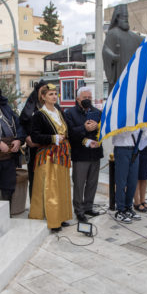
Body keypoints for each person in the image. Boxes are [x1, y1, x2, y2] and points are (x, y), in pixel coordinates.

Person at [28, 84, 73, 232]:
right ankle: (53, 221)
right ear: (43, 97)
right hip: (48, 156)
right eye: (50, 94)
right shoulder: (39, 115)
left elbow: (67, 131)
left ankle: (61, 216)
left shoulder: (59, 112)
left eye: (55, 94)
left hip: (62, 155)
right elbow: (35, 136)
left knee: (62, 186)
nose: (54, 97)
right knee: (51, 189)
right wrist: (53, 138)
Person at [65, 87, 103, 222]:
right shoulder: (70, 113)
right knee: (79, 184)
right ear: (78, 99)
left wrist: (98, 131)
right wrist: (84, 128)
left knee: (92, 183)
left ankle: (88, 207)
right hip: (80, 154)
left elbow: (103, 130)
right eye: (84, 98)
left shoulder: (97, 112)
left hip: (95, 152)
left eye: (89, 98)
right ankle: (79, 210)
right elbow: (69, 133)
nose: (87, 100)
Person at [102, 4, 144, 92]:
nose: (126, 19)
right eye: (123, 17)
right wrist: (113, 56)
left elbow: (146, 43)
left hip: (132, 76)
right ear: (117, 17)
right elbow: (105, 51)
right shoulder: (113, 33)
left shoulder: (134, 37)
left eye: (126, 17)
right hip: (119, 75)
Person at [19, 80, 48, 199]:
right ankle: (35, 206)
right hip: (34, 149)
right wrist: (26, 137)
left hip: (49, 148)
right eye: (43, 91)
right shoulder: (30, 107)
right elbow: (21, 124)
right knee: (35, 178)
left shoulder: (54, 107)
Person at [133, 128, 147, 212]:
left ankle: (143, 200)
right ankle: (137, 202)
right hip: (137, 146)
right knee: (136, 176)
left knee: (144, 176)